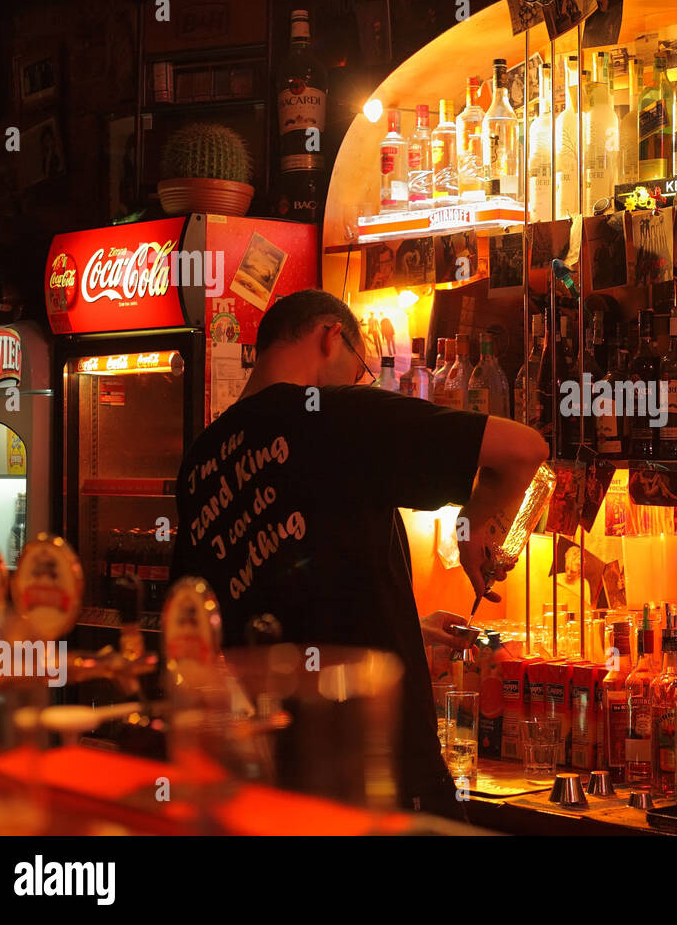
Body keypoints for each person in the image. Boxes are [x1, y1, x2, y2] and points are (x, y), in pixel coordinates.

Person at [171, 290, 547, 819]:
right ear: (330, 336)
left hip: (259, 781)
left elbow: (263, 614)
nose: (358, 381)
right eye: (359, 367)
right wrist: (474, 522)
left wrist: (405, 631)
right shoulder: (334, 412)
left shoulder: (203, 458)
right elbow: (524, 449)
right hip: (371, 776)